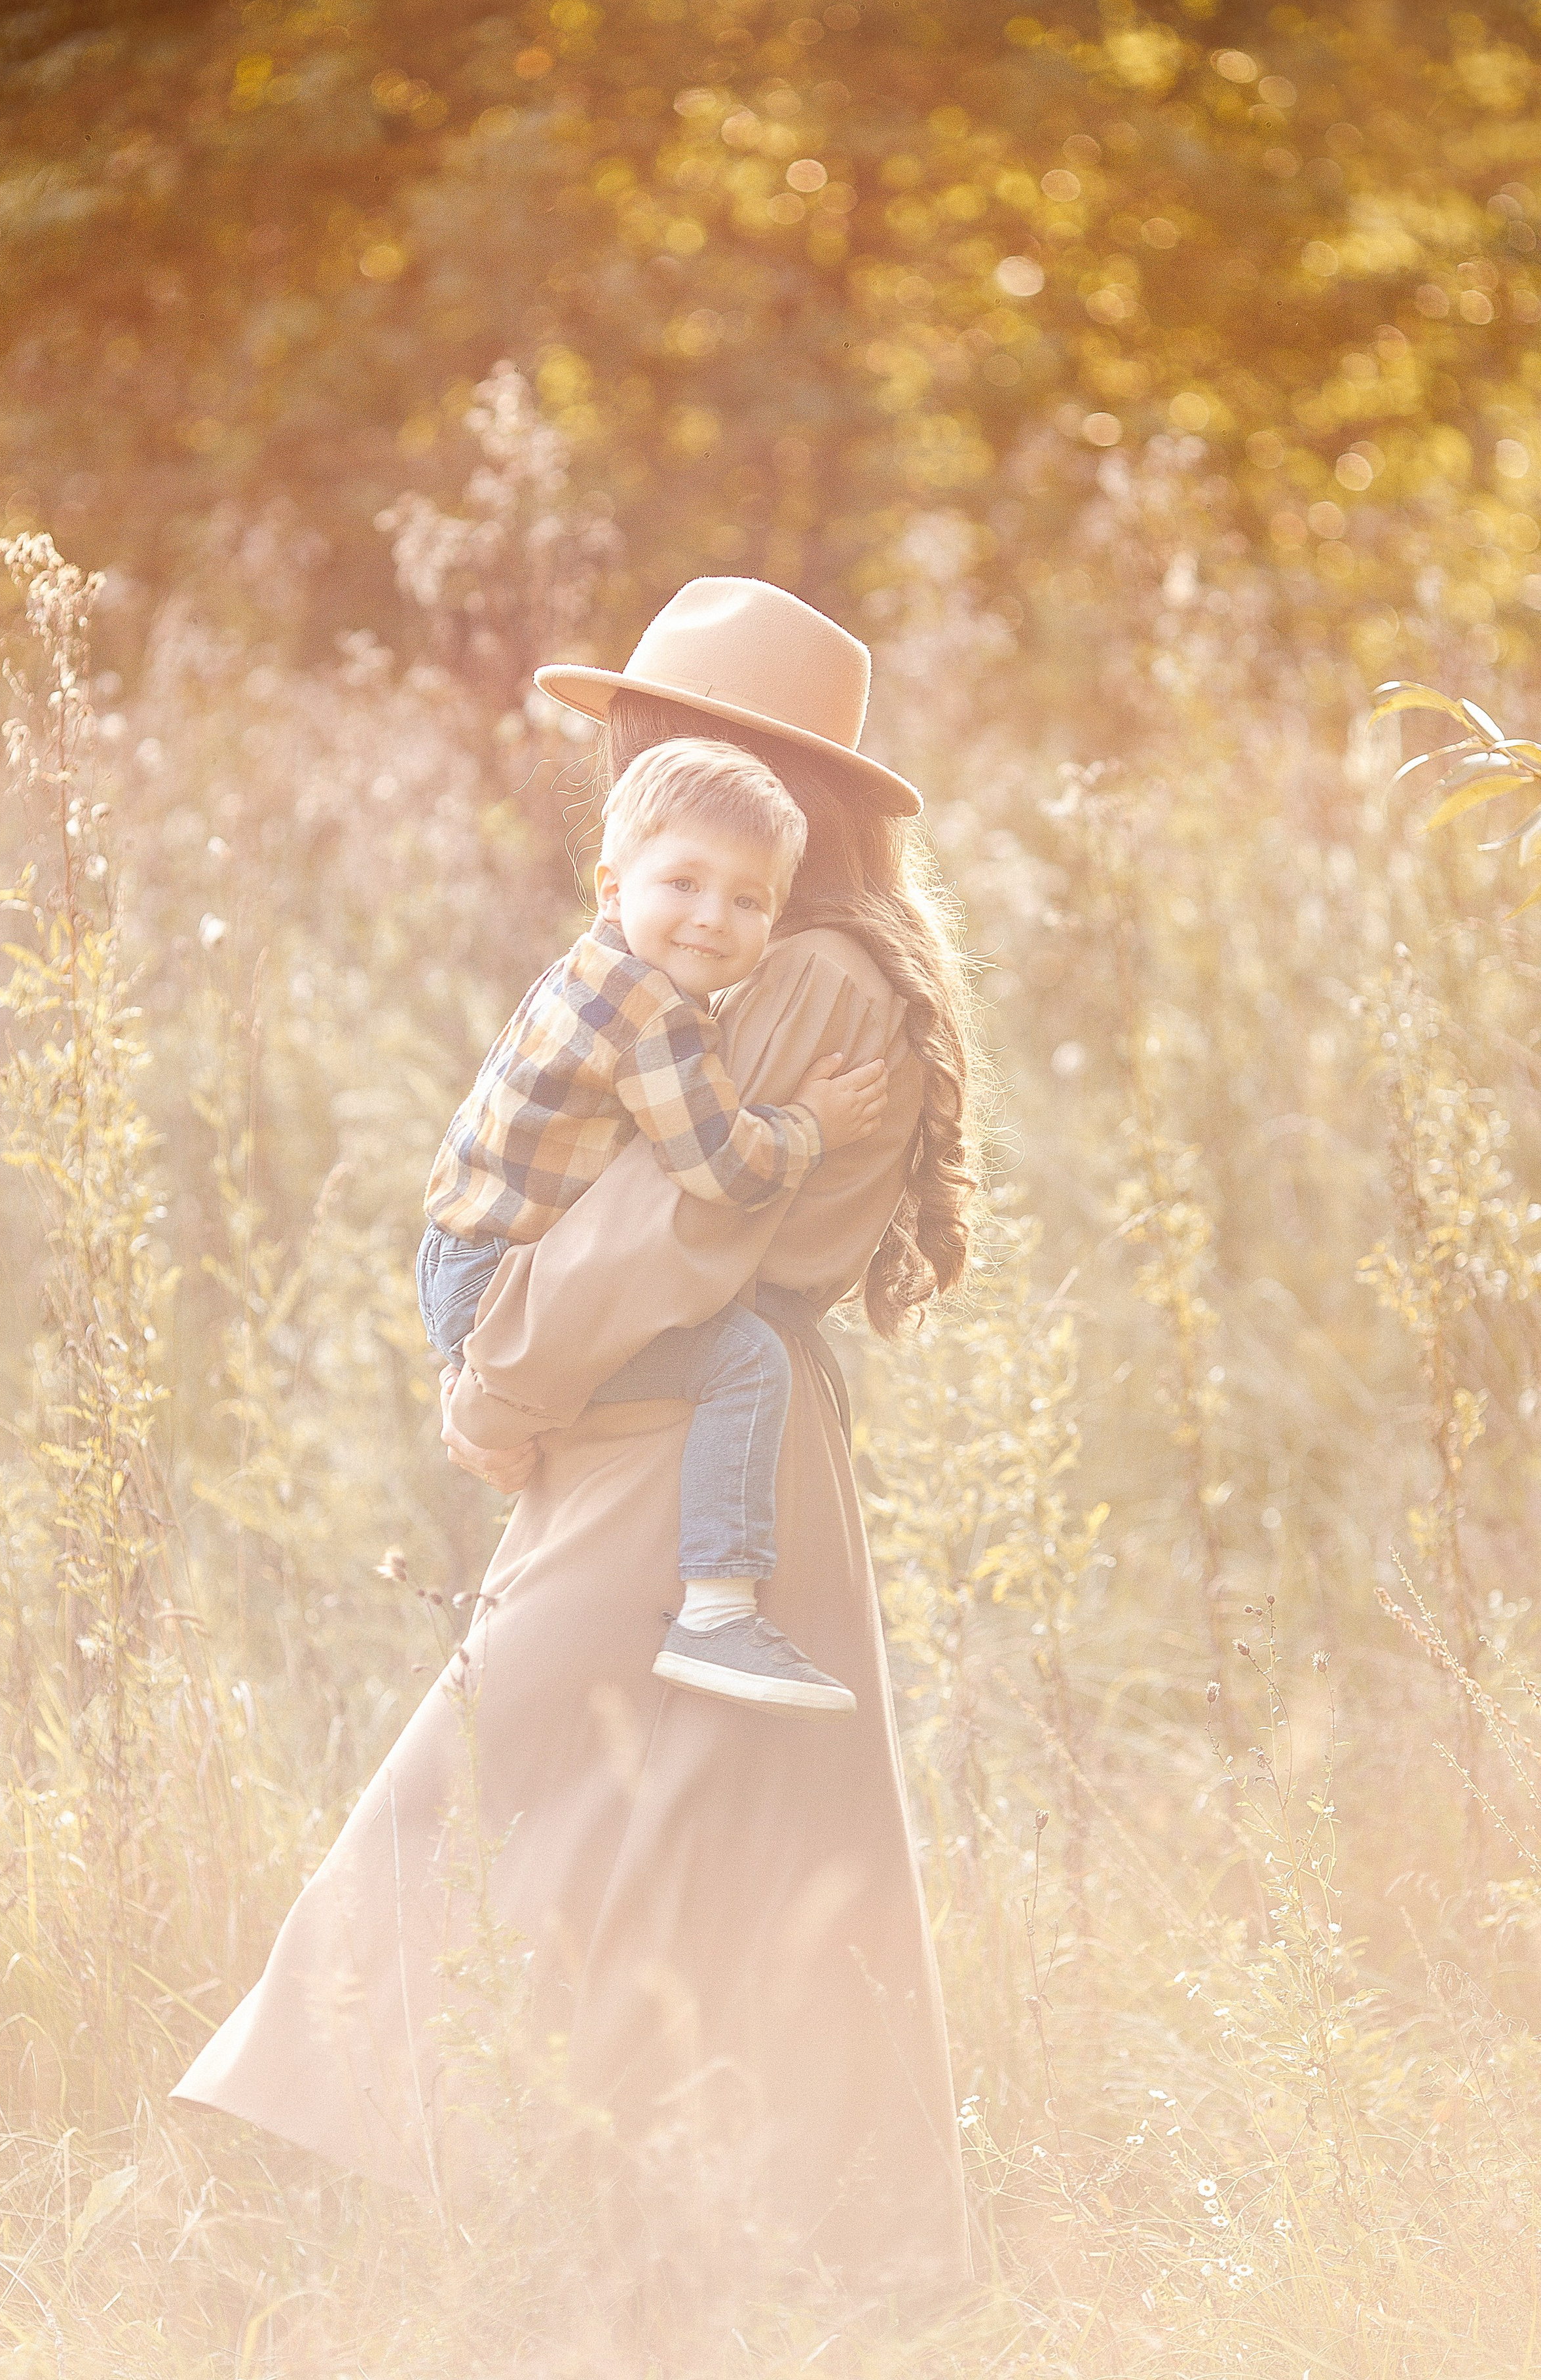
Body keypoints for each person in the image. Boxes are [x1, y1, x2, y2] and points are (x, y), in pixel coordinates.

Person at [174, 576, 980, 2296]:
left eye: (670, 738)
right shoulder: (805, 958)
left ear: (769, 785)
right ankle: (723, 2262)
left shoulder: (803, 978)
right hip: (705, 1450)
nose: (633, 761)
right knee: (720, 1860)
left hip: (670, 1448)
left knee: (468, 1807)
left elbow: (647, 1234)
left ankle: (277, 2197)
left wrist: (500, 1385)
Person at [418, 732, 889, 1717]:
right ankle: (717, 1608)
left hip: (459, 1258)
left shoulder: (591, 971)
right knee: (745, 1362)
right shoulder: (655, 1012)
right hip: (500, 1278)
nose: (714, 917)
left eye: (748, 900)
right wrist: (815, 1122)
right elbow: (718, 1169)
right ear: (609, 883)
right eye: (684, 883)